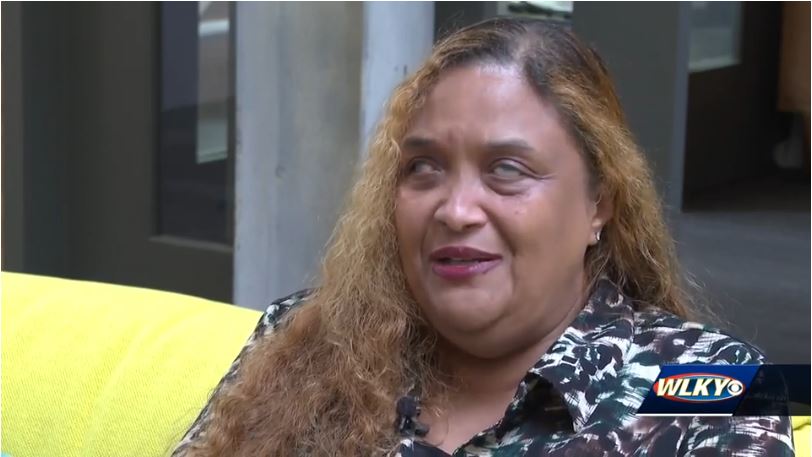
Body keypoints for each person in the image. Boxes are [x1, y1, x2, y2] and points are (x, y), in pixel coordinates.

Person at [172, 17, 794, 456]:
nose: (456, 208)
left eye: (508, 170)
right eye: (423, 168)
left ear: (598, 204)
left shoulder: (713, 388)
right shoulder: (305, 341)